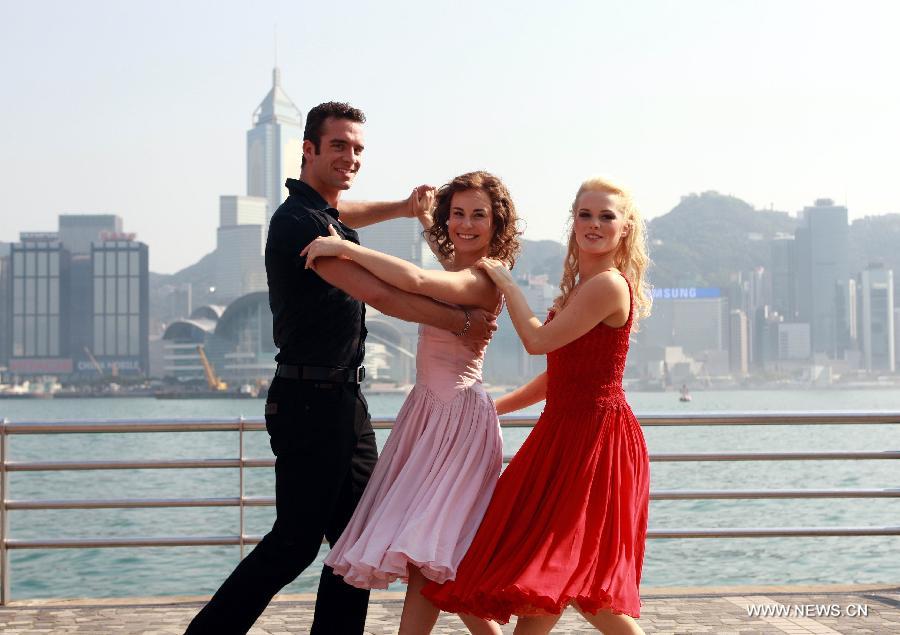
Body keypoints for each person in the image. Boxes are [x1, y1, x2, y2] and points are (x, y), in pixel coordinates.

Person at [184, 102, 496, 635]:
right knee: (294, 543)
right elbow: (378, 294)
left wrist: (402, 206)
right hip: (309, 399)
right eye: (338, 146)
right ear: (308, 150)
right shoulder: (298, 223)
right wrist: (463, 320)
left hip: (342, 402)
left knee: (357, 542)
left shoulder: (323, 214)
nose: (351, 157)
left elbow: (349, 213)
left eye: (357, 149)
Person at [423, 176, 653, 635]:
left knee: (563, 573)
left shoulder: (607, 285)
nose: (594, 224)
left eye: (607, 216)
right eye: (585, 214)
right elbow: (559, 374)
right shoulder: (582, 287)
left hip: (593, 441)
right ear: (573, 223)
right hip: (563, 434)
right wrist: (493, 409)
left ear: (625, 228)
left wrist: (508, 284)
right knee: (532, 568)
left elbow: (536, 341)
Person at [301, 171, 521, 635]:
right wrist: (423, 220)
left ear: (497, 224)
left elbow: (415, 279)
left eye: (478, 215)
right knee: (438, 555)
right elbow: (438, 266)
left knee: (428, 551)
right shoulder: (460, 268)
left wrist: (346, 247)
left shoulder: (485, 278)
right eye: (457, 213)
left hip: (457, 421)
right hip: (428, 417)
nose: (466, 223)